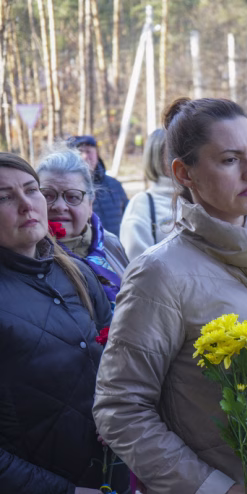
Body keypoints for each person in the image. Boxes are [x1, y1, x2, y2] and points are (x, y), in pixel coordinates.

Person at [93, 98, 247, 494]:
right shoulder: (158, 274)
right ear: (185, 173)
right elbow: (120, 409)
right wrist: (216, 488)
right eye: (230, 160)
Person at [0, 152, 122, 493]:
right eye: (4, 197)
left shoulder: (77, 273)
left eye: (31, 190)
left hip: (112, 474)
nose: (28, 205)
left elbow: (117, 359)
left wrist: (121, 409)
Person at [37, 146, 129, 308]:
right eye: (48, 196)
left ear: (90, 204)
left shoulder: (110, 243)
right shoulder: (27, 256)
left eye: (73, 197)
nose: (60, 206)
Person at [119, 129, 176, 259]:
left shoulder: (198, 198)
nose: (181, 159)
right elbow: (138, 264)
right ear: (156, 158)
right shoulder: (142, 205)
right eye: (173, 153)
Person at [68, 135, 129, 236]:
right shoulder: (68, 189)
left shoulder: (115, 185)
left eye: (88, 151)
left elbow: (128, 218)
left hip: (116, 244)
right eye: (80, 152)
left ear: (97, 154)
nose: (85, 156)